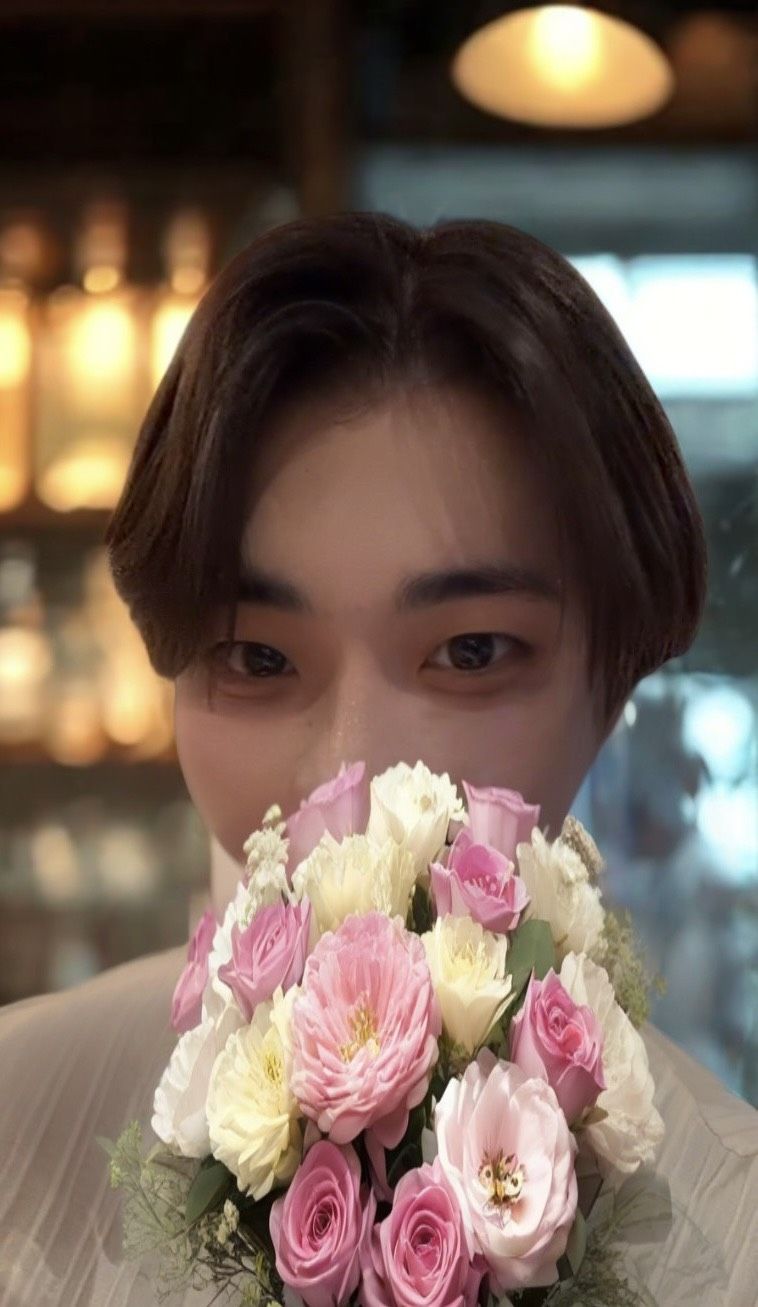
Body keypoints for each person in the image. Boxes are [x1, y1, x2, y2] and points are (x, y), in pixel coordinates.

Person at [0, 212, 756, 1306]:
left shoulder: (732, 1233)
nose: (354, 778)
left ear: (617, 675)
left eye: (472, 651)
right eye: (257, 657)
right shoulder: (18, 1143)